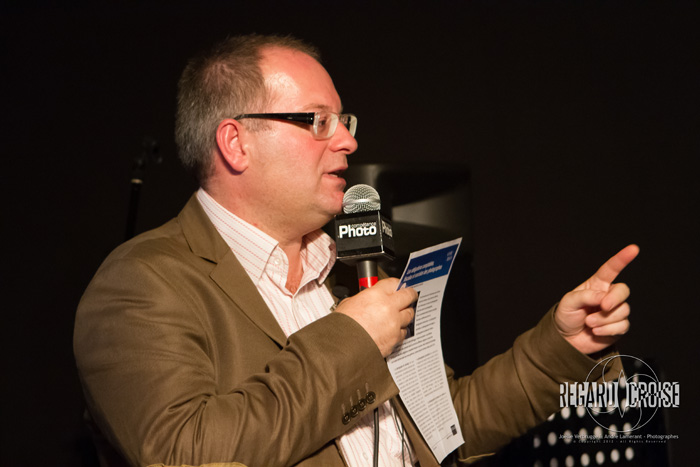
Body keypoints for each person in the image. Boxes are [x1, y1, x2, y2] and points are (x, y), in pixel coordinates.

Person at [74, 34, 639, 467]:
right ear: (236, 142)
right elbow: (186, 450)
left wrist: (560, 347)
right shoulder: (144, 281)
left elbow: (447, 418)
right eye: (319, 121)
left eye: (343, 120)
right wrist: (352, 340)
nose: (347, 140)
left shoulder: (344, 274)